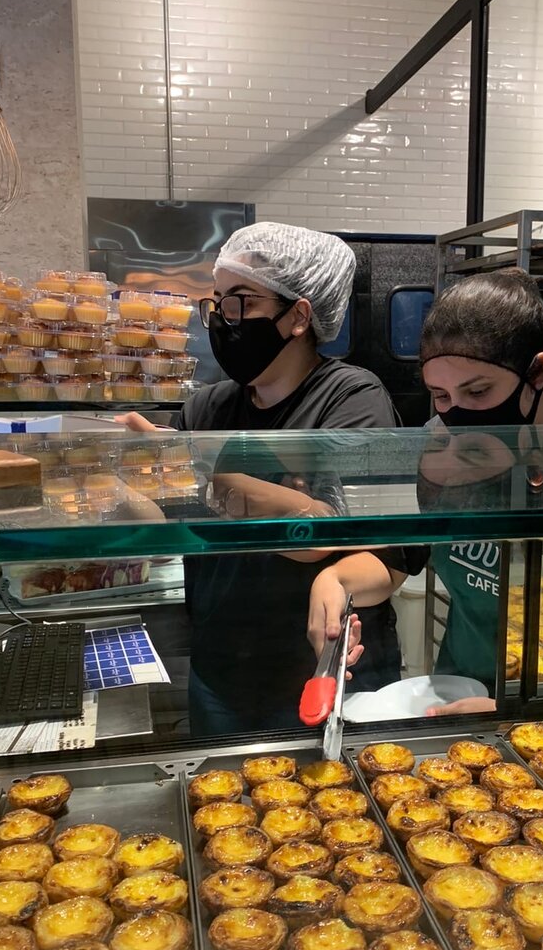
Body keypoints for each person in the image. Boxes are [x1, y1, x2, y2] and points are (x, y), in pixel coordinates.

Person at [118, 221, 402, 734]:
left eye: (241, 301)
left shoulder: (352, 399)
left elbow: (330, 533)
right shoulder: (209, 406)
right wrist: (112, 477)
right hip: (221, 664)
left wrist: (198, 472)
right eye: (218, 301)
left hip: (321, 666)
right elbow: (164, 520)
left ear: (299, 316)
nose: (223, 318)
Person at [307, 268, 543, 716]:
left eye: (478, 391)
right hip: (457, 685)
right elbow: (407, 551)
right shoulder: (439, 446)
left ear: (537, 373)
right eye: (440, 395)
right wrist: (336, 580)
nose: (457, 415)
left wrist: (519, 706)